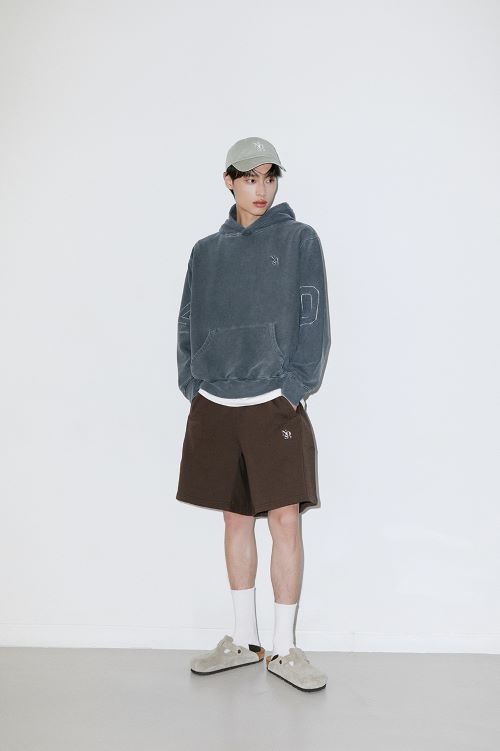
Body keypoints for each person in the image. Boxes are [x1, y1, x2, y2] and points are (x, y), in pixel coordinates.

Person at [176, 136, 331, 691]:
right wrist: (193, 382)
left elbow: (314, 317)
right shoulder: (205, 251)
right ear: (230, 182)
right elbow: (187, 319)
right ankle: (246, 640)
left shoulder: (299, 239)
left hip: (274, 400)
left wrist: (296, 387)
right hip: (217, 401)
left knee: (284, 520)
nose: (261, 189)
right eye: (249, 178)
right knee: (234, 519)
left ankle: (285, 648)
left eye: (269, 178)